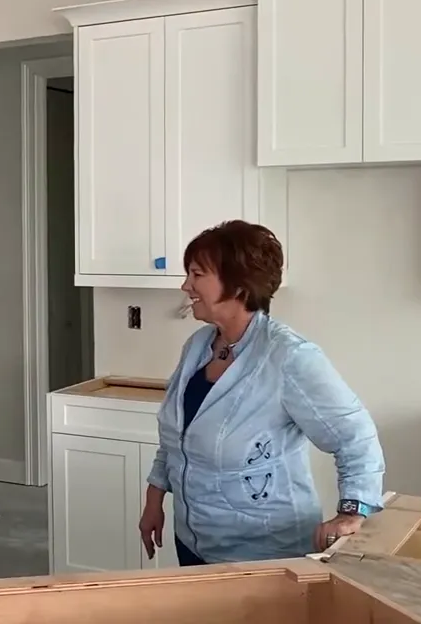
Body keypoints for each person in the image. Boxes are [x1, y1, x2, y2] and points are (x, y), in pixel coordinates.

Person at [137, 220, 385, 566]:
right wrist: (153, 500)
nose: (185, 285)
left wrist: (351, 513)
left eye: (197, 275)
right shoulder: (197, 347)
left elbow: (355, 436)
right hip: (194, 541)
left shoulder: (289, 357)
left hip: (266, 553)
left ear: (238, 286)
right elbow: (175, 438)